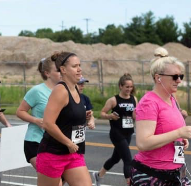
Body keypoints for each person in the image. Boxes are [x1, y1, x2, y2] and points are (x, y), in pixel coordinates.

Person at [131, 54, 191, 185]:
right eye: (175, 77)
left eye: (180, 76)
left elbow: (168, 129)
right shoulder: (149, 103)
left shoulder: (171, 99)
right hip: (153, 174)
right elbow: (143, 143)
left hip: (176, 171)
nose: (179, 81)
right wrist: (178, 133)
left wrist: (181, 139)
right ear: (158, 78)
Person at [36, 52, 91, 186]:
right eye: (74, 66)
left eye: (79, 65)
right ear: (63, 70)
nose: (79, 69)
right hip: (53, 154)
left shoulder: (75, 89)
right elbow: (48, 123)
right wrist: (68, 142)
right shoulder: (60, 90)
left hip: (73, 153)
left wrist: (85, 117)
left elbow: (68, 116)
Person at [16, 55, 61, 170]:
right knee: (51, 178)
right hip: (36, 141)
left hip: (57, 142)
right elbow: (20, 111)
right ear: (47, 73)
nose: (62, 72)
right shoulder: (37, 91)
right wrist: (36, 120)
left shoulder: (64, 91)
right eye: (58, 70)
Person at [92, 73, 138, 186]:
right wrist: (110, 116)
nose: (129, 89)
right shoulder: (113, 100)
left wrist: (138, 118)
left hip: (128, 132)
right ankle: (130, 183)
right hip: (117, 133)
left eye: (131, 87)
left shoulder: (134, 99)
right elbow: (102, 113)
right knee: (128, 160)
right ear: (120, 86)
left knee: (115, 158)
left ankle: (98, 175)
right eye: (127, 86)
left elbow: (135, 115)